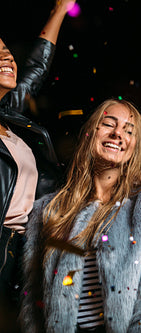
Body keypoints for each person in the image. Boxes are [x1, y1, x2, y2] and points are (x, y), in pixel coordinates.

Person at [20, 99, 141, 332]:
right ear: (91, 132)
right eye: (108, 124)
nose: (117, 134)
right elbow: (33, 303)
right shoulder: (51, 210)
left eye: (128, 131)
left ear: (135, 146)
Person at [0, 0, 76, 330]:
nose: (6, 57)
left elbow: (35, 70)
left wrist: (60, 9)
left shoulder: (10, 120)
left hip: (23, 251)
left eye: (5, 51)